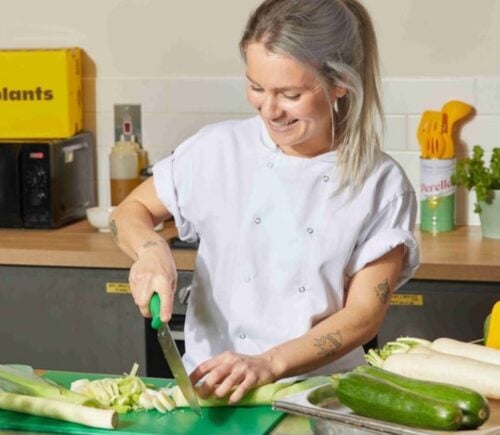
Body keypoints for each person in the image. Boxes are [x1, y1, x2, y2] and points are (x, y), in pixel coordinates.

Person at [110, 0, 419, 405]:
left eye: (290, 94)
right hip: (208, 392)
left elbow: (363, 315)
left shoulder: (380, 183)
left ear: (340, 84)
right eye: (256, 87)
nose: (269, 110)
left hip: (319, 397)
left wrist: (269, 363)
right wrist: (150, 251)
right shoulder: (217, 149)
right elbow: (130, 213)